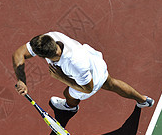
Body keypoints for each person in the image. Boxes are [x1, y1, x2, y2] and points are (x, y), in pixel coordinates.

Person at [12, 31, 154, 112]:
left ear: (43, 57)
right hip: (94, 61)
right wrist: (21, 80)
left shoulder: (73, 64)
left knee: (68, 94)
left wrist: (61, 77)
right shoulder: (50, 37)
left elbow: (87, 88)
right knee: (111, 83)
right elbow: (18, 54)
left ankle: (70, 107)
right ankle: (143, 100)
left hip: (88, 79)